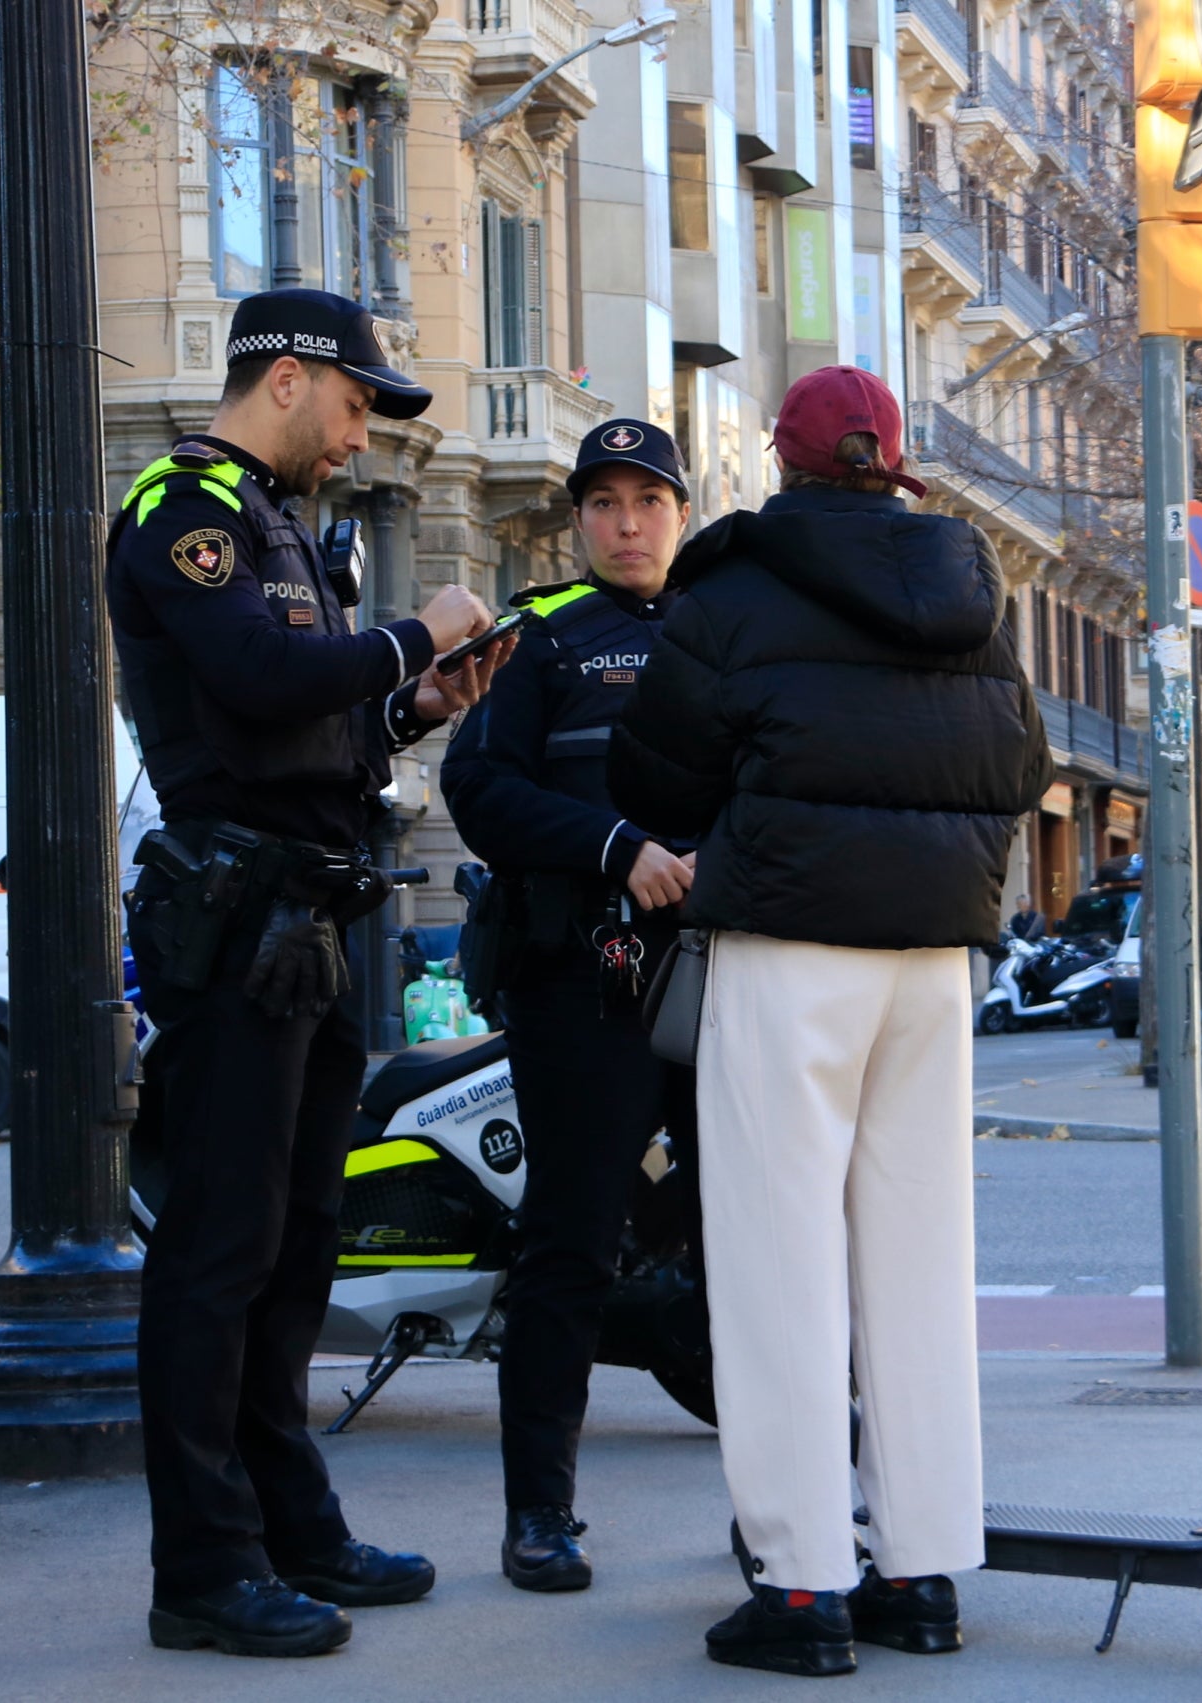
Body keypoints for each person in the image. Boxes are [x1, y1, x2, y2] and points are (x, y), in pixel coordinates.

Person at [608, 365, 1053, 1675]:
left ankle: (802, 1584)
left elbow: (657, 766)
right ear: (892, 466)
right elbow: (1023, 763)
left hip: (790, 942)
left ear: (788, 469)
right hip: (933, 959)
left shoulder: (736, 583)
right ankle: (924, 1569)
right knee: (917, 1263)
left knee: (775, 1266)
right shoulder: (970, 590)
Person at [110, 288, 509, 1658]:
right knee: (219, 1249)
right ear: (287, 380)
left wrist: (410, 707)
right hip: (239, 926)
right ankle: (204, 1567)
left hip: (315, 921)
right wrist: (417, 635)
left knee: (292, 1242)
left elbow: (311, 725)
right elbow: (257, 677)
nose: (355, 441)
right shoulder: (186, 501)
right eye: (351, 408)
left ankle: (291, 1522)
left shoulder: (279, 517)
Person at [438, 418, 698, 1594]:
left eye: (648, 498)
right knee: (571, 1245)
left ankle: (796, 1508)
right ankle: (540, 1512)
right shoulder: (539, 635)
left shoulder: (730, 625)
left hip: (725, 975)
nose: (627, 521)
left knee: (759, 1240)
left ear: (681, 511)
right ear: (580, 519)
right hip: (583, 982)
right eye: (604, 502)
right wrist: (613, 845)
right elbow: (477, 783)